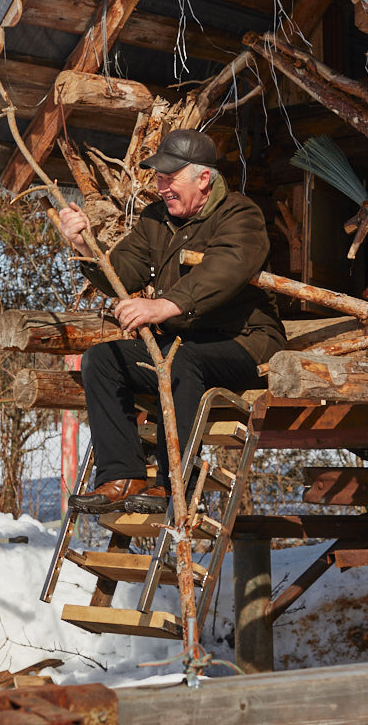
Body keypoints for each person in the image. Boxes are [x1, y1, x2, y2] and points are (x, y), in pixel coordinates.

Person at [57, 129, 285, 515]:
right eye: (159, 178)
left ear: (203, 178)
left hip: (246, 344)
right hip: (185, 347)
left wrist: (165, 306)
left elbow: (224, 269)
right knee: (102, 360)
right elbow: (123, 271)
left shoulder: (241, 214)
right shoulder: (155, 220)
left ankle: (173, 484)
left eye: (170, 178)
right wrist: (84, 246)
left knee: (179, 362)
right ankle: (122, 476)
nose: (162, 186)